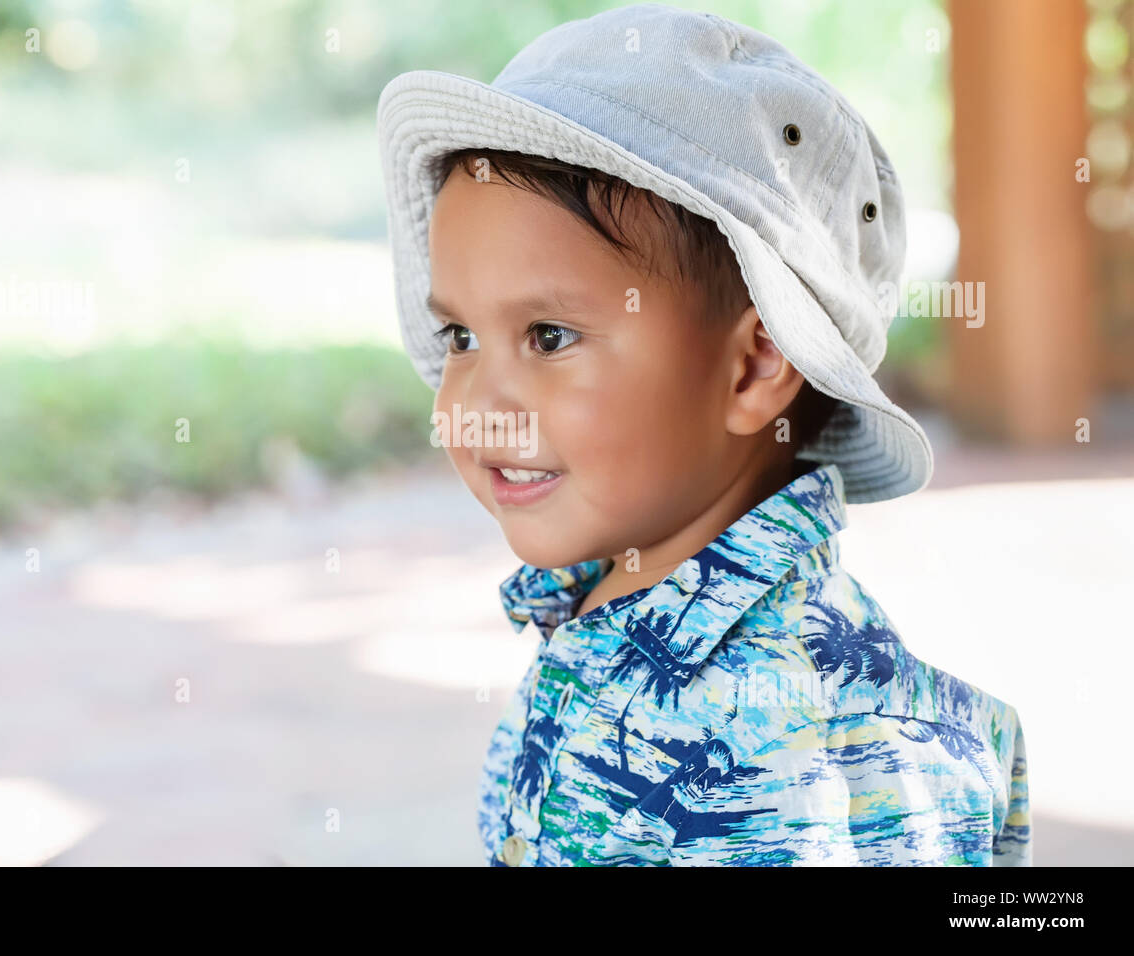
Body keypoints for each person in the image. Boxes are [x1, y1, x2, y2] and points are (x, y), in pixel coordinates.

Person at [376, 3, 1029, 866]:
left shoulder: (792, 758)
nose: (476, 403)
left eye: (549, 337)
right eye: (461, 337)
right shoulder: (609, 606)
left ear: (755, 367)